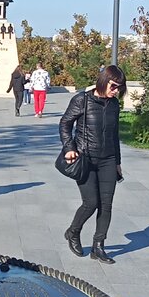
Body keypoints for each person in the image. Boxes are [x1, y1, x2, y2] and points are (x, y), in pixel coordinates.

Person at [60, 64, 126, 264]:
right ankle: (73, 232)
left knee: (106, 205)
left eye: (119, 88)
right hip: (85, 159)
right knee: (91, 202)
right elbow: (65, 123)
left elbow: (114, 134)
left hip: (108, 160)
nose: (116, 91)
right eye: (114, 86)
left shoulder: (114, 104)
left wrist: (118, 162)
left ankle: (98, 246)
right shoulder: (82, 100)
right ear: (104, 81)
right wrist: (69, 147)